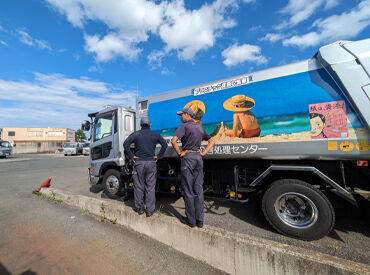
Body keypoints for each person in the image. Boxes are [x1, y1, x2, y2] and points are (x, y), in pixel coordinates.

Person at [171, 107, 215, 228]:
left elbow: (173, 141)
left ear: (187, 115)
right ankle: (200, 220)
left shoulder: (183, 127)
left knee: (188, 190)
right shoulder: (200, 128)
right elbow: (212, 141)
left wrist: (180, 153)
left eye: (181, 115)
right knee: (198, 189)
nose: (180, 117)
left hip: (188, 158)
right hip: (198, 158)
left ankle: (191, 221)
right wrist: (204, 153)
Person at [123, 117, 168, 217]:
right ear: (150, 125)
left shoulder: (136, 134)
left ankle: (139, 208)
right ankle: (150, 210)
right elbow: (164, 144)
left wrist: (132, 156)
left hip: (139, 163)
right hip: (151, 163)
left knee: (139, 186)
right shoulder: (155, 134)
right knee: (150, 187)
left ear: (140, 125)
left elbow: (125, 144)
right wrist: (158, 156)